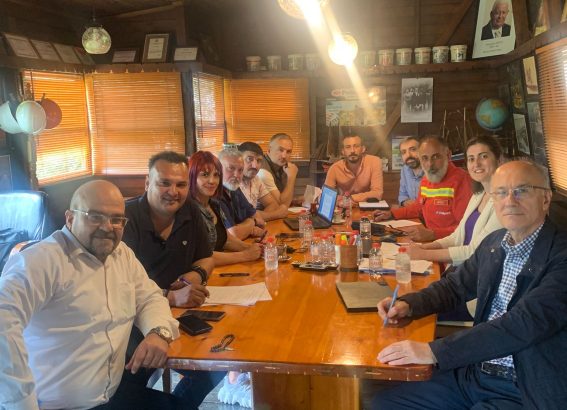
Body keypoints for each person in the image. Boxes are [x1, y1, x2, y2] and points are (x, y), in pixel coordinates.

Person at [373, 160, 567, 409]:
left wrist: (434, 351)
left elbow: (521, 324)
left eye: (522, 190)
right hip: (476, 372)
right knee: (384, 403)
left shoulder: (561, 256)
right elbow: (455, 286)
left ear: (546, 199)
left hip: (525, 388)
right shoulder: (494, 242)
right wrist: (408, 305)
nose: (510, 200)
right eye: (501, 192)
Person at [0, 180, 182, 409]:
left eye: (116, 219)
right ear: (70, 218)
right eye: (95, 216)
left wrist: (158, 332)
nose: (107, 227)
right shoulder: (41, 261)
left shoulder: (122, 254)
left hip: (111, 397)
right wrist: (21, 405)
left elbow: (149, 297)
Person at [122, 151, 221, 408]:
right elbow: (117, 289)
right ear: (147, 183)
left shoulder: (189, 210)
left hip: (177, 318)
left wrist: (195, 276)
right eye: (164, 183)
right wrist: (171, 296)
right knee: (132, 379)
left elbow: (207, 258)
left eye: (180, 184)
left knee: (219, 364)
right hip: (132, 326)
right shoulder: (125, 219)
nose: (173, 192)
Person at [406, 135, 503, 265]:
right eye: (471, 159)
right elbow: (457, 237)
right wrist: (423, 248)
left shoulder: (504, 202)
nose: (476, 164)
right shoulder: (478, 194)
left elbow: (475, 252)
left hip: (478, 273)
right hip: (462, 269)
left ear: (499, 160)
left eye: (483, 156)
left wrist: (423, 254)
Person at [374, 136, 473, 242]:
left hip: (452, 245)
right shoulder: (427, 179)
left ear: (448, 155)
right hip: (432, 241)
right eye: (425, 158)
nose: (430, 164)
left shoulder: (462, 181)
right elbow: (418, 208)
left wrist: (433, 234)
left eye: (436, 157)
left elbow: (468, 228)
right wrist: (392, 214)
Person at [188, 150, 262, 266]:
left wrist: (252, 248)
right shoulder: (188, 209)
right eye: (205, 175)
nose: (212, 181)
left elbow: (226, 239)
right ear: (192, 176)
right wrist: (245, 255)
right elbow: (201, 256)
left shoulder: (214, 204)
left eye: (216, 175)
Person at [218, 149, 266, 240]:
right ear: (218, 169)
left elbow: (259, 219)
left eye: (240, 170)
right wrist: (252, 223)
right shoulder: (215, 194)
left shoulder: (234, 188)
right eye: (231, 168)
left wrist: (247, 227)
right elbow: (234, 234)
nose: (236, 175)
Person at [324, 135, 384, 203]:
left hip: (367, 206)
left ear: (363, 149)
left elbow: (377, 193)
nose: (352, 151)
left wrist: (351, 198)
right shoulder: (334, 168)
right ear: (343, 151)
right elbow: (326, 196)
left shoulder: (374, 162)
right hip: (345, 206)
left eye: (356, 146)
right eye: (348, 147)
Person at [238, 141, 288, 220]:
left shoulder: (256, 179)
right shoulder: (232, 182)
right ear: (238, 159)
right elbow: (242, 218)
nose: (255, 166)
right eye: (249, 159)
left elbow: (273, 204)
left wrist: (260, 217)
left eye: (258, 160)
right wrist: (277, 214)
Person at [257, 133, 299, 207]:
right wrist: (291, 177)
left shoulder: (283, 167)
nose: (284, 156)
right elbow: (281, 205)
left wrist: (294, 201)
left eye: (288, 151)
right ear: (269, 150)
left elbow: (282, 198)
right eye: (280, 150)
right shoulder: (263, 171)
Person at [397, 137, 424, 206]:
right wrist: (405, 202)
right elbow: (402, 194)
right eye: (404, 152)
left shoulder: (432, 170)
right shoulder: (404, 169)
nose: (408, 155)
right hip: (412, 211)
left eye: (413, 150)